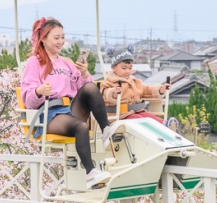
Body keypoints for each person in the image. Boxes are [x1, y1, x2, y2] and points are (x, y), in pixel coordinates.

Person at [20, 17, 116, 189]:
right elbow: (27, 97)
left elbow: (81, 88)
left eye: (62, 37)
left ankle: (106, 129)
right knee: (80, 126)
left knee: (90, 87)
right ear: (43, 39)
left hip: (69, 108)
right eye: (56, 38)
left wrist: (85, 74)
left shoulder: (66, 62)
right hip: (49, 112)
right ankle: (90, 173)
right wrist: (39, 91)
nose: (61, 42)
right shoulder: (34, 63)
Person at [100, 47, 171, 123]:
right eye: (124, 68)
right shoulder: (109, 82)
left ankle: (164, 124)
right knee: (141, 120)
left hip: (137, 111)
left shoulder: (134, 81)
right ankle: (156, 126)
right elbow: (104, 93)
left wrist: (160, 90)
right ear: (113, 67)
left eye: (130, 68)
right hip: (119, 116)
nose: (127, 71)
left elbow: (146, 90)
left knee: (149, 116)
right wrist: (113, 93)